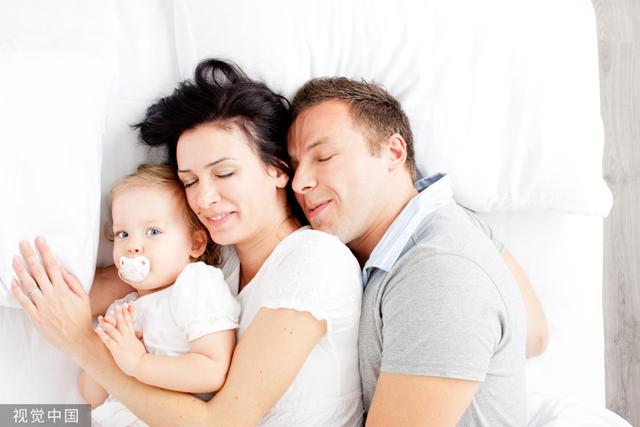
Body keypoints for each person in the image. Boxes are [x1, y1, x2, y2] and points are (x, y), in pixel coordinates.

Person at [11, 59, 363, 426]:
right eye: (190, 181)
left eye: (224, 173)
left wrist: (81, 344)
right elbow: (93, 288)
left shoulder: (315, 259)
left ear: (277, 169)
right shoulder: (215, 257)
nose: (205, 199)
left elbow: (219, 423)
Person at [286, 77, 547, 426]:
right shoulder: (456, 222)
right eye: (294, 166)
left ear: (394, 152)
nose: (299, 182)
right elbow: (533, 334)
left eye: (324, 157)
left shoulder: (438, 271)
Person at [80, 163, 240, 427]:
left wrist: (138, 363)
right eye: (123, 234)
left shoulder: (195, 284)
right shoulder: (122, 308)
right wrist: (105, 352)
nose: (133, 245)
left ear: (195, 243)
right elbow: (93, 397)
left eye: (153, 232)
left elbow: (212, 371)